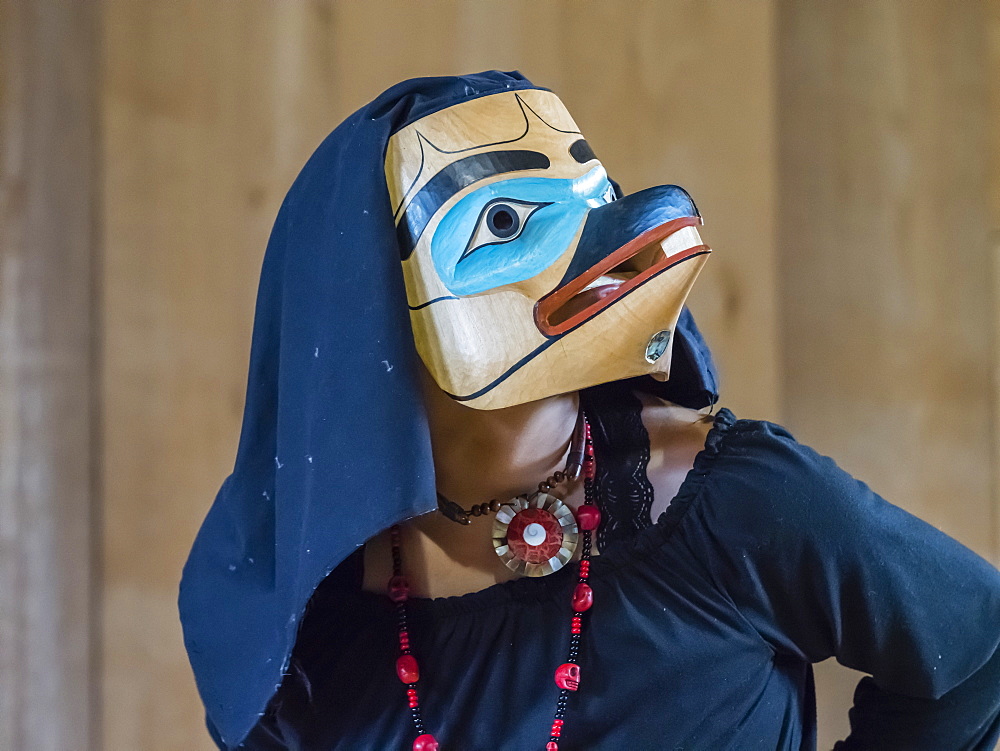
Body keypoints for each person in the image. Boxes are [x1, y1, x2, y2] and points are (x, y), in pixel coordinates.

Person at [180, 71, 1000, 751]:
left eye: (591, 192)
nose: (606, 226)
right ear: (369, 308)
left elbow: (976, 647)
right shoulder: (289, 605)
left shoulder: (734, 501)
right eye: (507, 222)